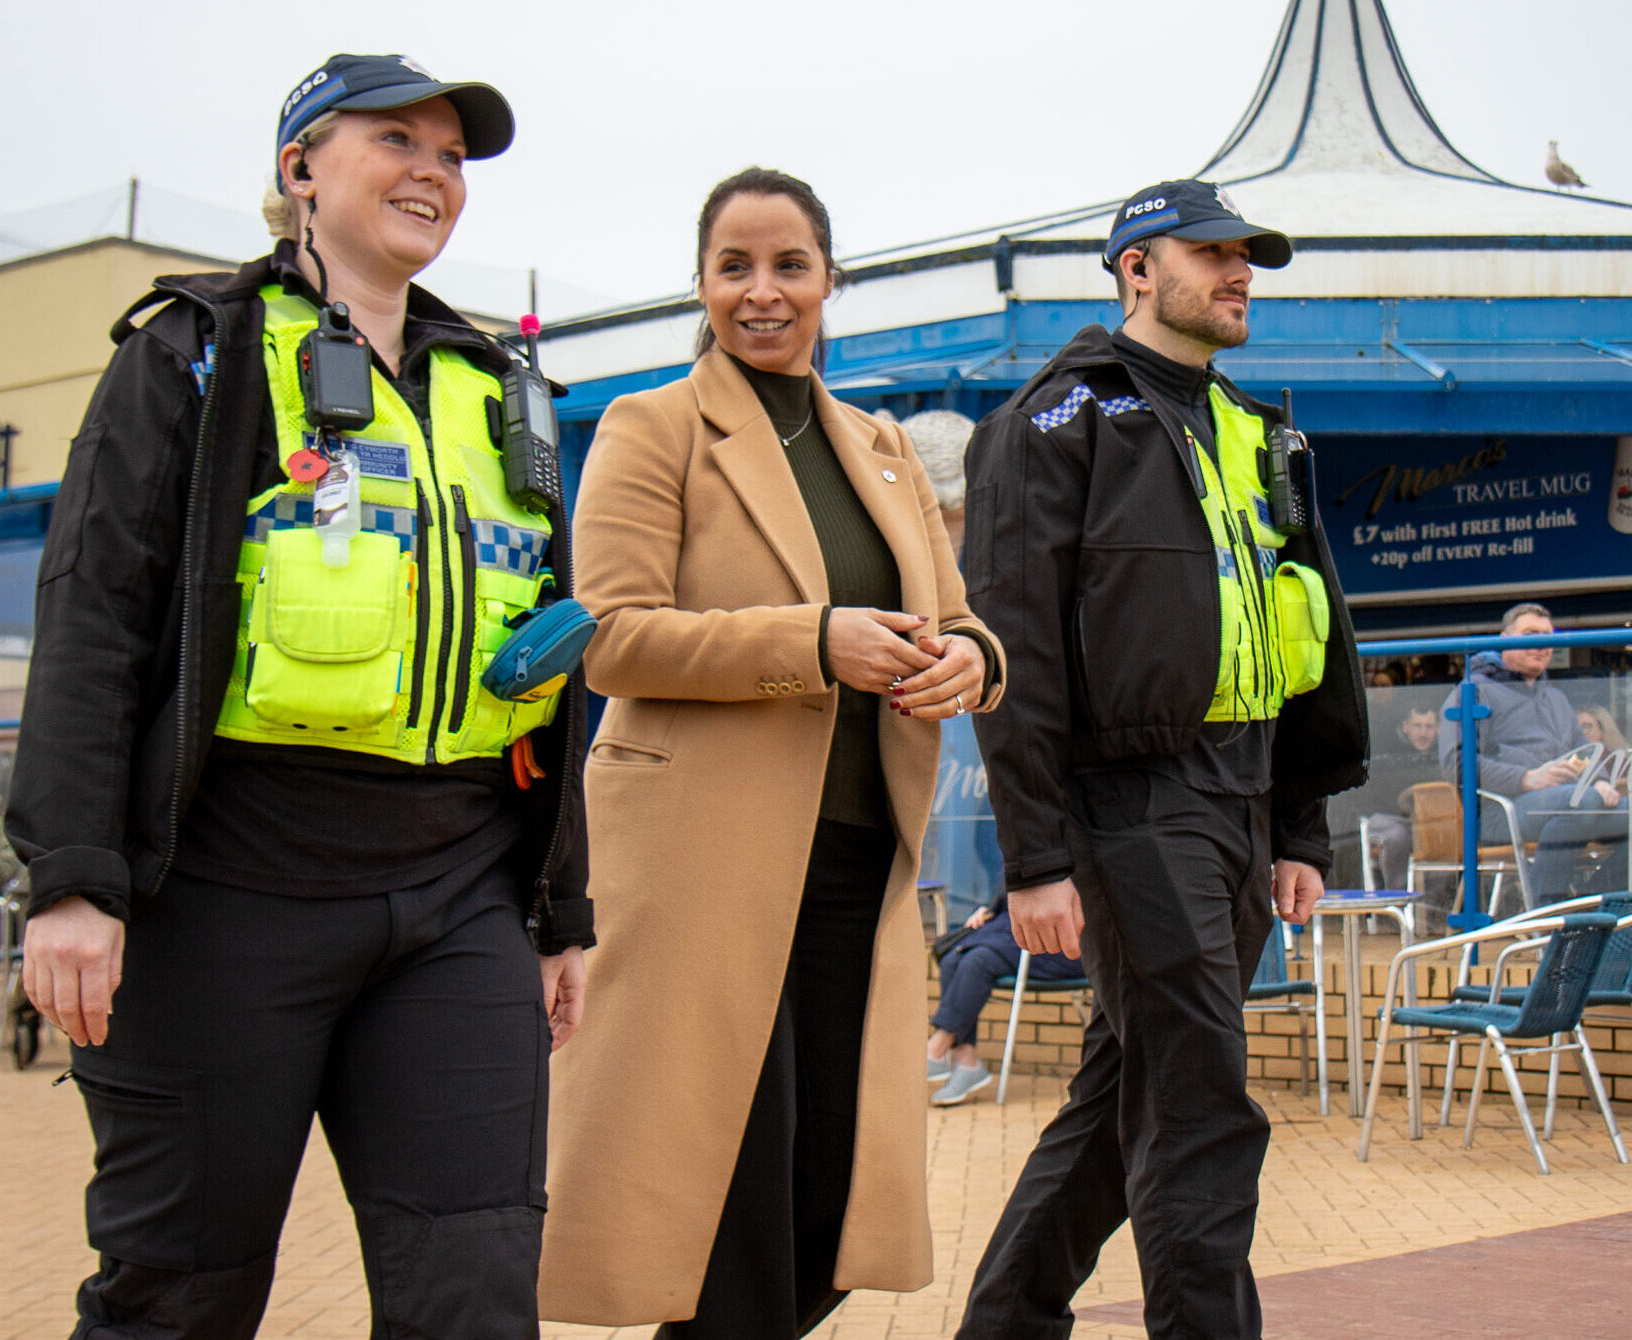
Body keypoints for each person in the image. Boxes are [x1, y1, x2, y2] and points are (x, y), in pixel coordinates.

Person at [6, 55, 590, 1337]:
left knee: (479, 1294)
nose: (432, 173)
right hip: (223, 895)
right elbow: (94, 610)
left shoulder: (503, 390)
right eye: (398, 141)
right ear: (300, 171)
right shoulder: (194, 353)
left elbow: (553, 657)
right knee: (182, 1293)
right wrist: (70, 874)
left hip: (456, 896)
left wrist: (561, 906)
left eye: (452, 157)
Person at [540, 167, 1005, 1339]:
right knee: (729, 1185)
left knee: (834, 1191)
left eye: (788, 264)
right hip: (706, 860)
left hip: (858, 860)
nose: (762, 291)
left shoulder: (883, 448)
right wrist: (812, 641)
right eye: (733, 266)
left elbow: (962, 618)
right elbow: (611, 636)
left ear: (828, 279)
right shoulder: (653, 428)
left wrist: (974, 666)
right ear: (699, 283)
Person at [954, 179, 1368, 1339]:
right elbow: (1013, 651)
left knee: (1123, 1093)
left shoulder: (1261, 430)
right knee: (1201, 1105)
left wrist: (1296, 824)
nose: (1241, 273)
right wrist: (1033, 856)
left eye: (1250, 258)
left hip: (1240, 800)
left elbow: (1304, 632)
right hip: (1127, 802)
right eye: (1214, 253)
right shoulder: (1053, 420)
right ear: (1137, 266)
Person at [1438, 603, 1632, 903]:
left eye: (1547, 636)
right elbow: (1455, 763)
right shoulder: (1472, 691)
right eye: (1530, 634)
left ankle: (1593, 900)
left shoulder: (1555, 698)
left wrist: (1600, 780)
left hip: (1572, 804)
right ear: (1504, 638)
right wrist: (1528, 778)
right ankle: (1549, 916)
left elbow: (1585, 752)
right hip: (1500, 811)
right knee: (1582, 802)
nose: (1541, 644)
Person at [926, 895, 1081, 1106]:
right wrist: (988, 909)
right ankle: (966, 1061)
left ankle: (937, 1047)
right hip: (1015, 932)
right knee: (952, 960)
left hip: (1059, 942)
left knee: (977, 961)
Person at [1358, 704, 1444, 889]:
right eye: (1417, 726)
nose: (1423, 733)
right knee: (1398, 836)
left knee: (1444, 834)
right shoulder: (1388, 752)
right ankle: (1396, 898)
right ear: (1406, 726)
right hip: (1386, 819)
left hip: (1427, 823)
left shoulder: (1445, 756)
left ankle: (1435, 905)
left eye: (1428, 727)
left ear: (1438, 729)